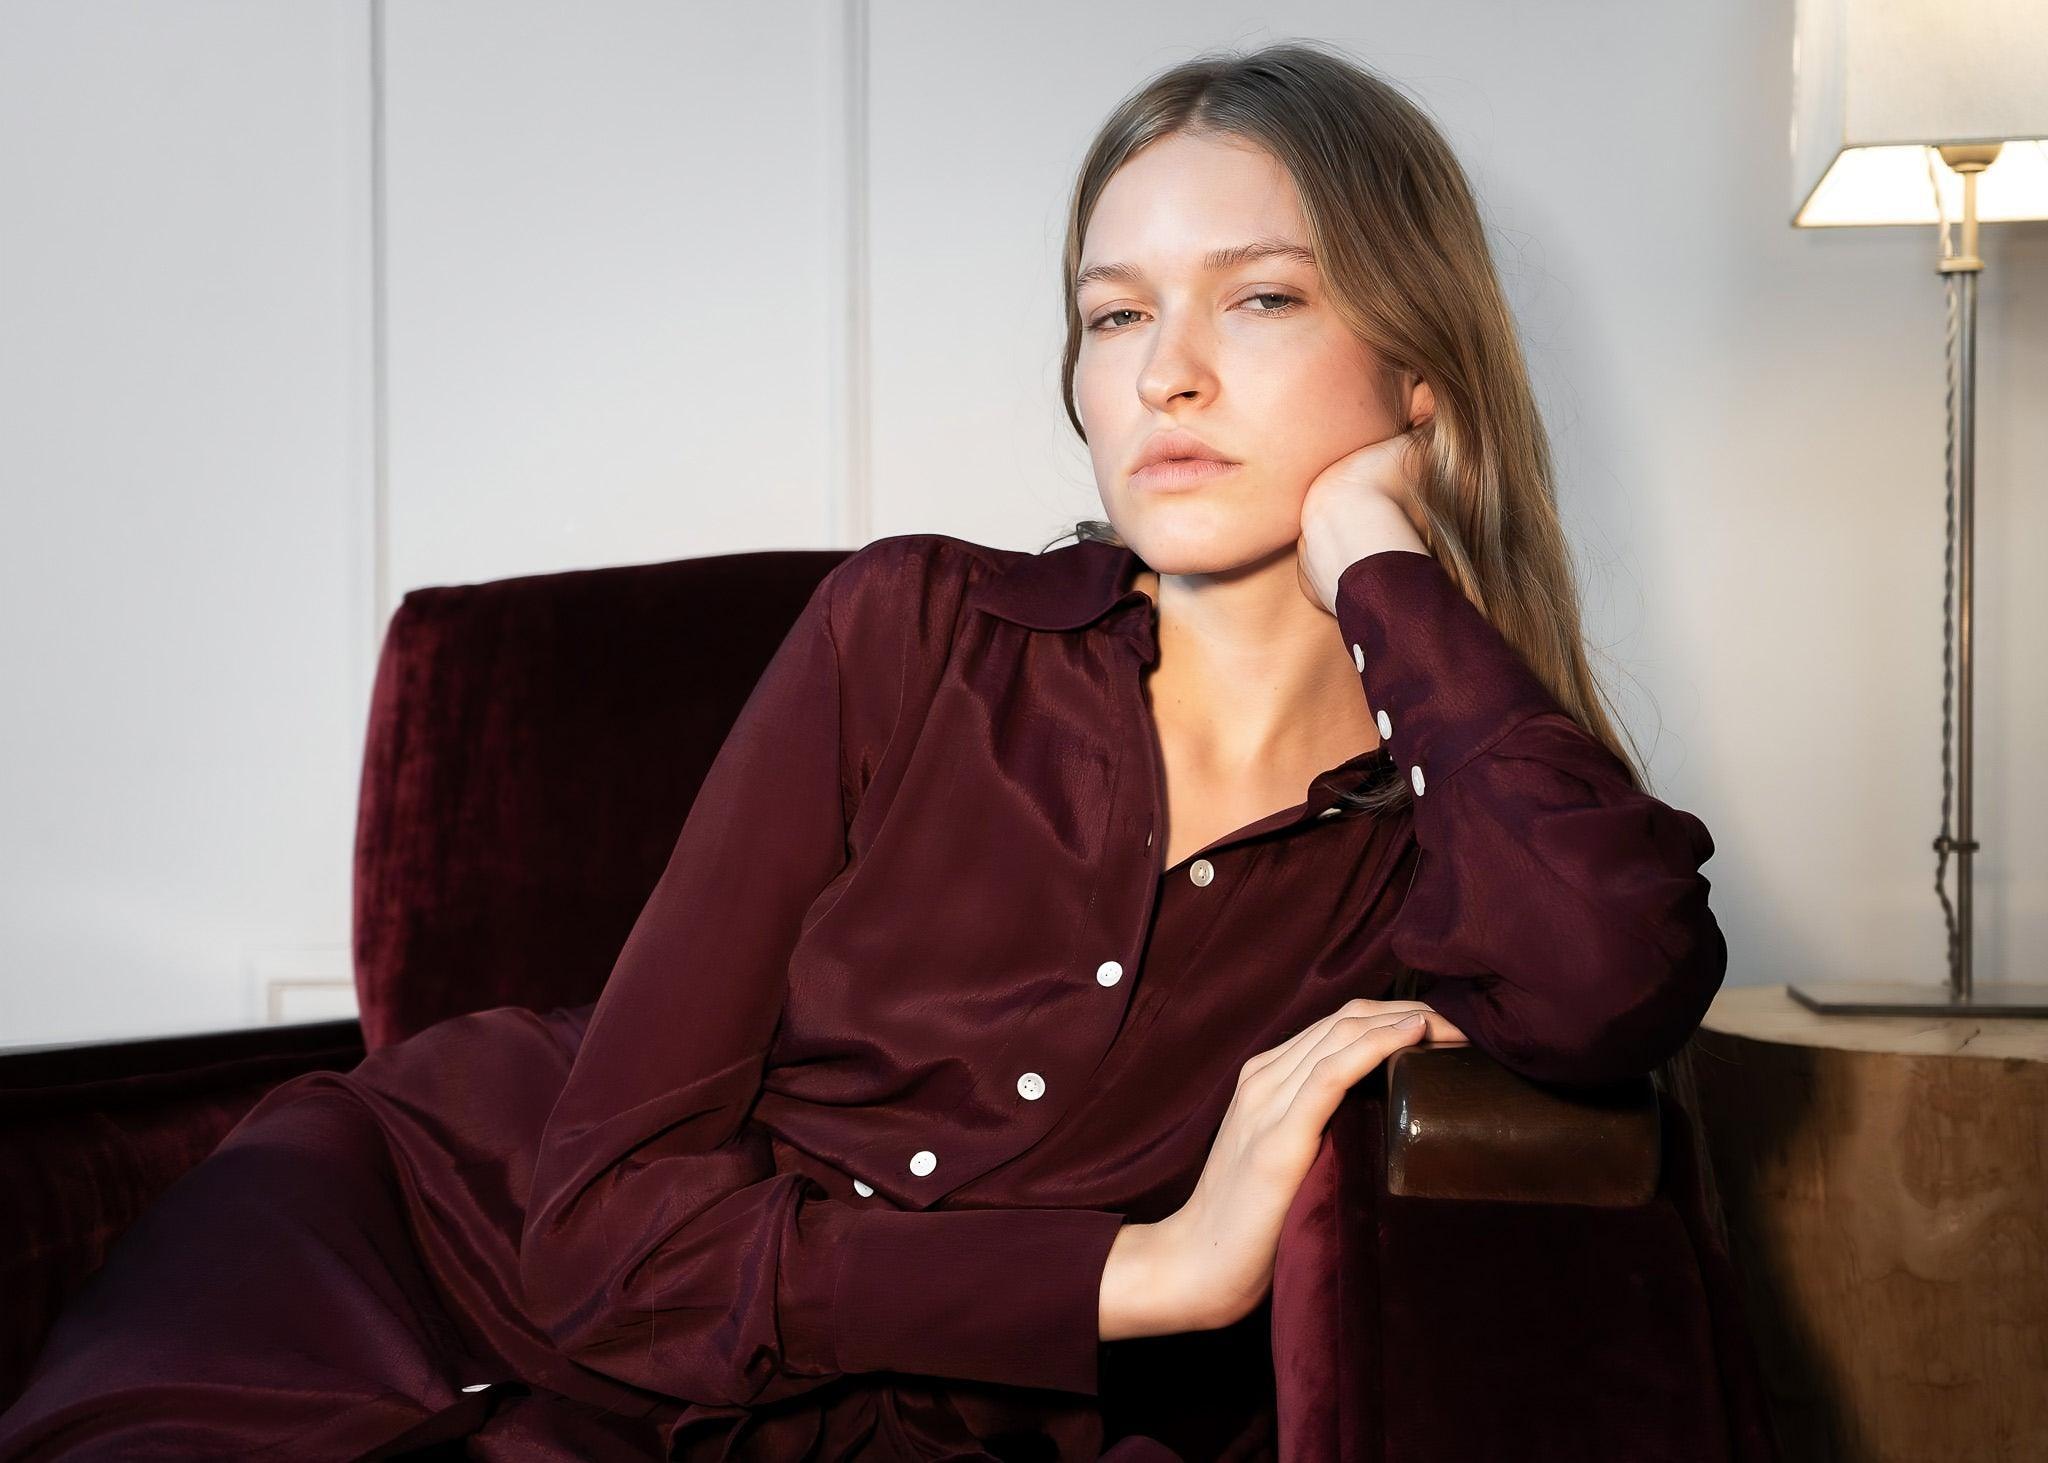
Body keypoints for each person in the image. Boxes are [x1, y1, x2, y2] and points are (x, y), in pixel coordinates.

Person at [0, 38, 1728, 1463]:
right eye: (1116, 315)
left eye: (1261, 298)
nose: (1168, 378)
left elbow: (1611, 976)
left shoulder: (1448, 835)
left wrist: (1385, 568)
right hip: (420, 1257)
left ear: (1422, 375)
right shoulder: (911, 631)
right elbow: (599, 1230)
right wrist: (1148, 1271)